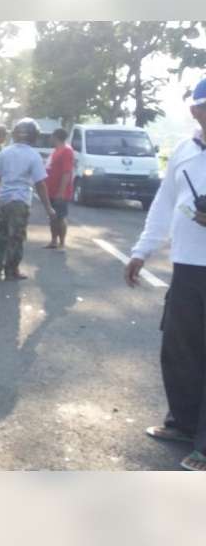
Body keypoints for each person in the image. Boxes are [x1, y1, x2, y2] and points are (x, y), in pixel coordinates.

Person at [125, 77, 206, 472]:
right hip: (188, 267)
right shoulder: (184, 152)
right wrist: (141, 251)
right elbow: (163, 203)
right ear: (196, 111)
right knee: (178, 350)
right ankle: (183, 424)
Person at [0, 118, 57, 281]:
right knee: (17, 237)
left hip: (4, 199)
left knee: (3, 234)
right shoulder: (33, 156)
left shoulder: (5, 152)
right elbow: (40, 184)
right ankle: (12, 270)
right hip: (20, 200)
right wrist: (48, 207)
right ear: (34, 136)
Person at [43, 128, 75, 250]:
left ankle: (62, 243)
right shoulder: (56, 150)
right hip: (50, 190)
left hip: (60, 192)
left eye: (51, 136)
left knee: (60, 217)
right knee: (52, 216)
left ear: (56, 137)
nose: (50, 138)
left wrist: (61, 192)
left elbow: (66, 173)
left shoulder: (67, 151)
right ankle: (53, 241)